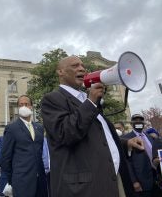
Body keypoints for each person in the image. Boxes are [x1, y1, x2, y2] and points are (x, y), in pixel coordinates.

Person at [41, 55, 139, 197]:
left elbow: (98, 135)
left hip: (111, 178)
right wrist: (91, 102)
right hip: (84, 188)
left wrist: (126, 143)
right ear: (60, 72)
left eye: (82, 66)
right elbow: (65, 134)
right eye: (75, 66)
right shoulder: (52, 99)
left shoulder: (86, 100)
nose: (82, 68)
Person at [0, 95, 48, 197]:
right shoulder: (11, 128)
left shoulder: (39, 128)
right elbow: (5, 158)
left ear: (31, 107)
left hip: (41, 182)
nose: (24, 107)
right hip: (21, 182)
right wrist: (13, 179)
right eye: (21, 105)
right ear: (17, 108)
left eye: (26, 104)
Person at [122, 114, 155, 197]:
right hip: (140, 181)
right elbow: (126, 162)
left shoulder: (149, 137)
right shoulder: (126, 139)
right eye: (135, 120)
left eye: (140, 120)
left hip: (155, 179)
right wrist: (134, 181)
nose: (138, 122)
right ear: (131, 124)